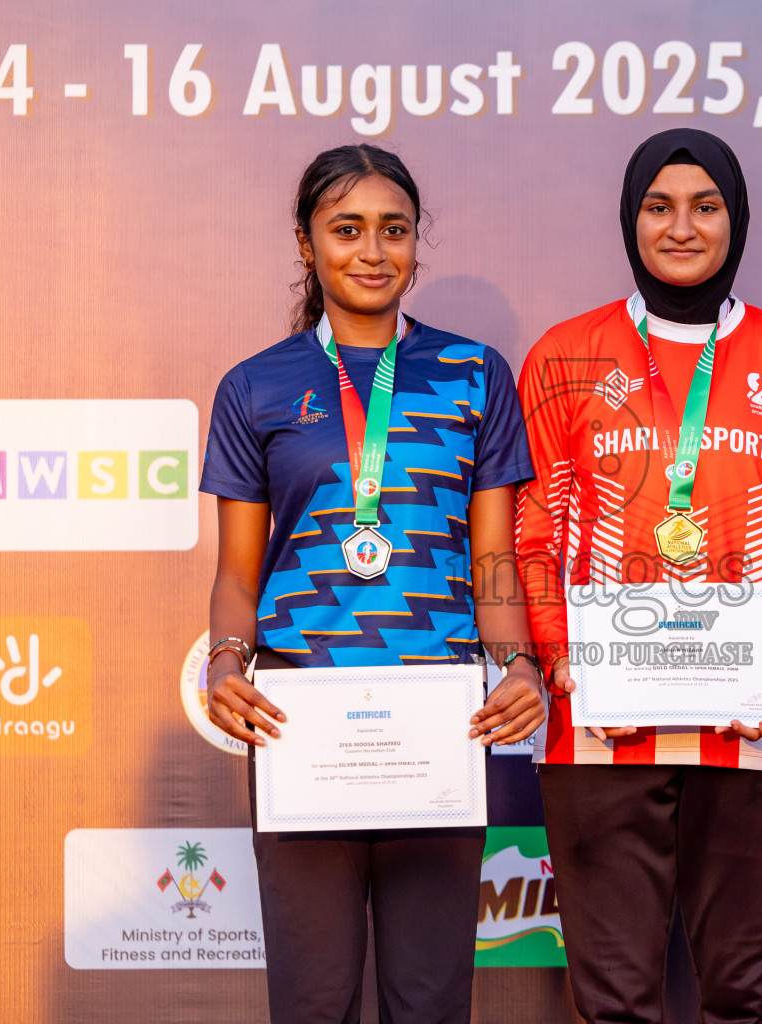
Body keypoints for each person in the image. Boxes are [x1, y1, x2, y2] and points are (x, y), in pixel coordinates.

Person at [198, 143, 545, 1024]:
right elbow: (237, 574)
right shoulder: (256, 387)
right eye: (346, 229)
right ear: (307, 245)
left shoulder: (474, 374)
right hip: (299, 719)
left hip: (438, 718)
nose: (372, 250)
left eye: (395, 230)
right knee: (314, 1002)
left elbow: (493, 557)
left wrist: (516, 663)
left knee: (428, 1001)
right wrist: (227, 663)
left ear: (417, 245)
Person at [515, 128, 762, 1023]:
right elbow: (534, 529)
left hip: (752, 722)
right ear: (630, 219)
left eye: (706, 206)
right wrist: (559, 656)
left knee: (742, 996)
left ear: (737, 219)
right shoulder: (564, 353)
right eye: (659, 207)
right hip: (599, 723)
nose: (682, 228)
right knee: (613, 1002)